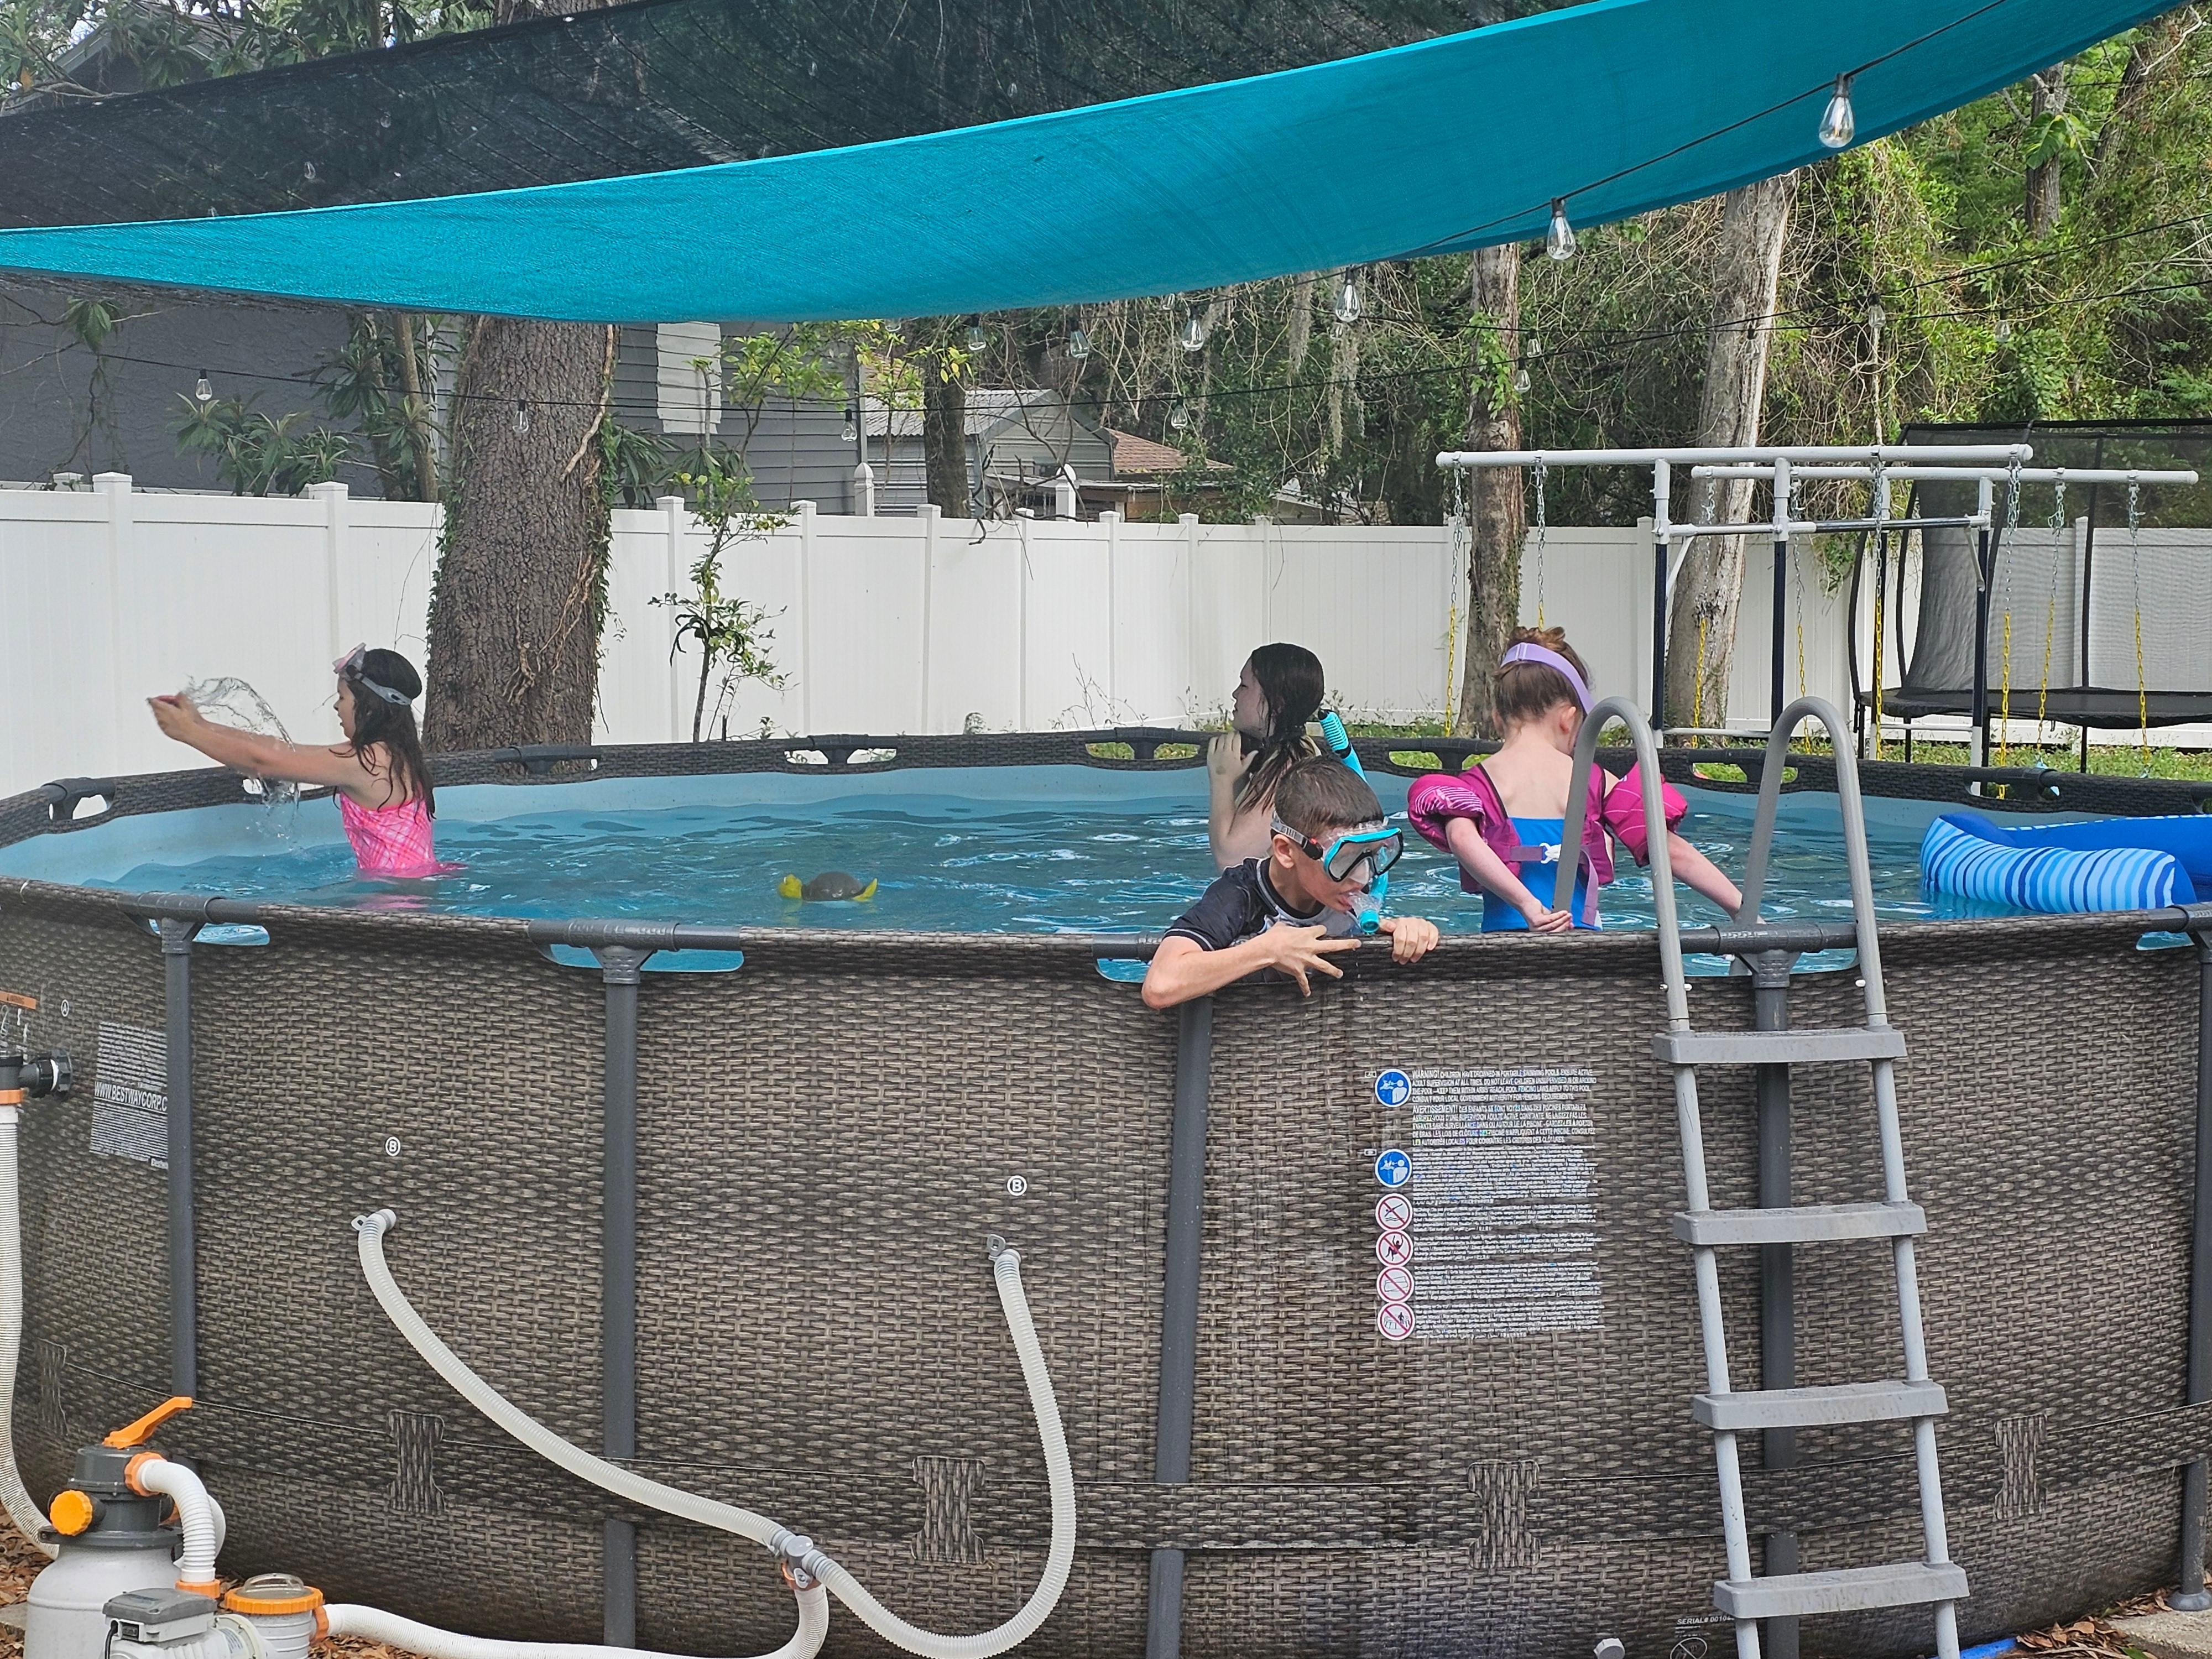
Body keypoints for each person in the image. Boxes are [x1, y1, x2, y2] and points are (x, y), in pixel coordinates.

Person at [1406, 627, 1742, 931]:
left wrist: (1527, 905)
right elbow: (1671, 851)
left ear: (1497, 718)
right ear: (1569, 719)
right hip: (1583, 955)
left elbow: (1464, 841)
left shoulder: (1472, 786)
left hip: (1502, 955)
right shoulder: (1593, 781)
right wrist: (1742, 910)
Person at [1144, 757, 1441, 1009]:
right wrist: (1265, 951)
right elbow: (1160, 984)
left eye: (1372, 856)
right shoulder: (1238, 896)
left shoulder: (1345, 897)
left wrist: (1410, 934)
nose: (1362, 878)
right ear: (1287, 851)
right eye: (1342, 860)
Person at [149, 645, 447, 879]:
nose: (336, 705)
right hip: (412, 887)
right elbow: (278, 751)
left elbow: (264, 763)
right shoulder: (389, 755)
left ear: (367, 707)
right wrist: (201, 724)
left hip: (394, 904)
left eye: (342, 697)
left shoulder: (367, 763)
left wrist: (188, 734)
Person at [1207, 643, 1325, 870]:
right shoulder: (1290, 753)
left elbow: (1230, 860)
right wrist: (1237, 779)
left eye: (1244, 686)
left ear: (1277, 702)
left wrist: (1221, 779)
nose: (1235, 694)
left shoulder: (1289, 767)